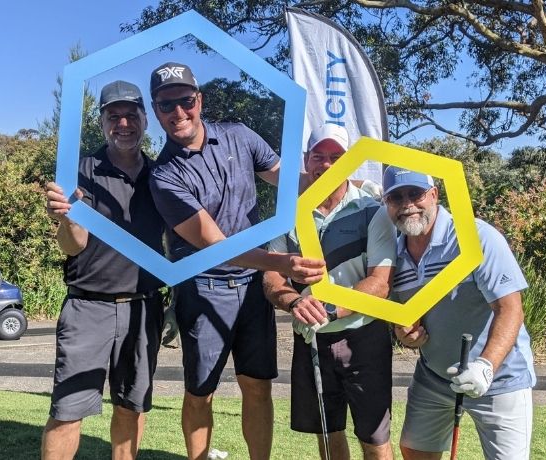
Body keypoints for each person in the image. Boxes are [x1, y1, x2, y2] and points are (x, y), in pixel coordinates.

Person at [147, 61, 326, 460]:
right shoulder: (163, 176)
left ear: (199, 100)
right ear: (156, 110)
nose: (178, 112)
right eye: (166, 104)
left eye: (185, 100)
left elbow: (290, 181)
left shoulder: (239, 136)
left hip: (253, 289)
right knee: (201, 392)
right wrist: (281, 263)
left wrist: (338, 179)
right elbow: (216, 246)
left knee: (258, 386)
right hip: (203, 288)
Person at [41, 80, 165, 460]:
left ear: (145, 120)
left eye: (131, 115)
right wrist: (66, 218)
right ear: (101, 122)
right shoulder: (78, 172)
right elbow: (72, 246)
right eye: (114, 116)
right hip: (88, 307)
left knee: (131, 407)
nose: (123, 124)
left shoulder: (162, 176)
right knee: (67, 410)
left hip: (143, 307)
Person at [264, 124, 398, 460]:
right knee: (327, 431)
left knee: (375, 436)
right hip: (311, 338)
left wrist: (329, 311)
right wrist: (295, 302)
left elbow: (380, 282)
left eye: (336, 157)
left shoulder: (373, 210)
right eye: (318, 156)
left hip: (363, 337)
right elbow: (272, 278)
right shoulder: (288, 213)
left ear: (349, 161)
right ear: (306, 161)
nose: (326, 165)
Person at [383, 166, 536, 460]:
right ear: (386, 204)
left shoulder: (476, 236)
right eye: (396, 197)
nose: (407, 204)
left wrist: (485, 366)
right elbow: (406, 316)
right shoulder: (392, 254)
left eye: (415, 194)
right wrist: (404, 332)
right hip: (434, 377)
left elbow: (510, 309)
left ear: (434, 194)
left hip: (500, 378)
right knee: (414, 451)